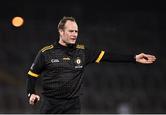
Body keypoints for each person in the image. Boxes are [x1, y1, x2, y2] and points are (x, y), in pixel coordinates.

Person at [26, 16, 156, 113]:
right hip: (50, 104)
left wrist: (134, 58)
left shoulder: (82, 52)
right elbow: (32, 75)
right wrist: (31, 93)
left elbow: (108, 56)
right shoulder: (46, 52)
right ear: (61, 31)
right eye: (71, 31)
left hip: (73, 105)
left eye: (76, 31)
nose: (74, 34)